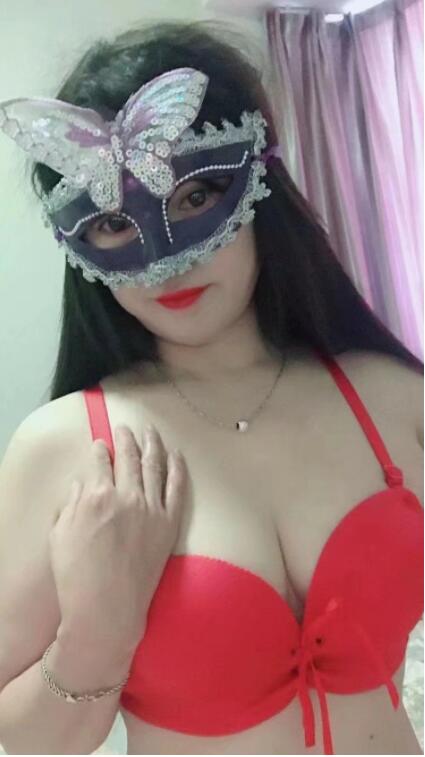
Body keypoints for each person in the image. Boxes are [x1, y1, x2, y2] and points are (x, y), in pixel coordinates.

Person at [0, 18, 423, 757]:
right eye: (112, 220)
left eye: (196, 196)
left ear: (260, 189)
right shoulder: (67, 450)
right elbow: (29, 740)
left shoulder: (391, 396)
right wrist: (97, 631)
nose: (166, 261)